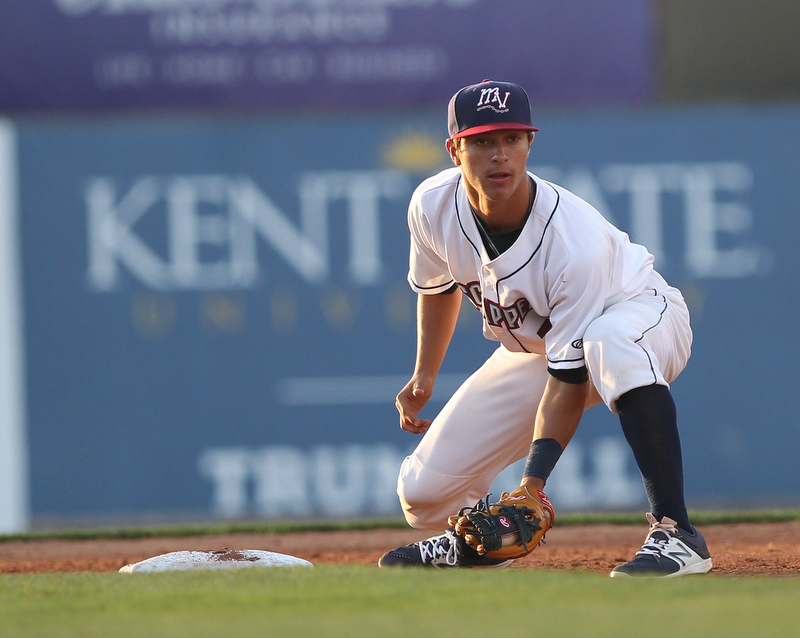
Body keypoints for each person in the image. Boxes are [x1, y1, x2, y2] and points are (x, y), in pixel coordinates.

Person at [377, 80, 712, 577]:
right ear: (454, 150)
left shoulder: (571, 241)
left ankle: (677, 534)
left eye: (513, 139)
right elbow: (437, 288)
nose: (500, 155)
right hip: (537, 349)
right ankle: (478, 543)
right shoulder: (431, 205)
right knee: (424, 496)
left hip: (641, 314)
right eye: (483, 141)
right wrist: (424, 376)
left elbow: (569, 380)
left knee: (608, 341)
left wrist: (532, 485)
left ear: (530, 144)